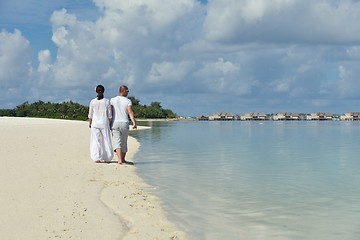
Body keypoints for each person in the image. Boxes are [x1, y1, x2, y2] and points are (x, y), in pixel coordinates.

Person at [110, 85, 137, 164]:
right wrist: (134, 122)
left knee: (117, 141)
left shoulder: (112, 100)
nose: (128, 93)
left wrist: (109, 122)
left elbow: (110, 112)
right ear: (124, 91)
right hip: (124, 122)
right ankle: (123, 159)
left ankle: (119, 159)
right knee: (124, 141)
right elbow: (130, 112)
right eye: (127, 91)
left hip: (115, 122)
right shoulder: (128, 101)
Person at [88, 85, 114, 163]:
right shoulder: (107, 101)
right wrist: (109, 124)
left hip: (95, 123)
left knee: (96, 140)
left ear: (96, 91)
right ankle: (107, 157)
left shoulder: (93, 101)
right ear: (103, 91)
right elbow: (110, 115)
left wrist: (90, 123)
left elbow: (90, 114)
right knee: (106, 139)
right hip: (104, 122)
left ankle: (97, 157)